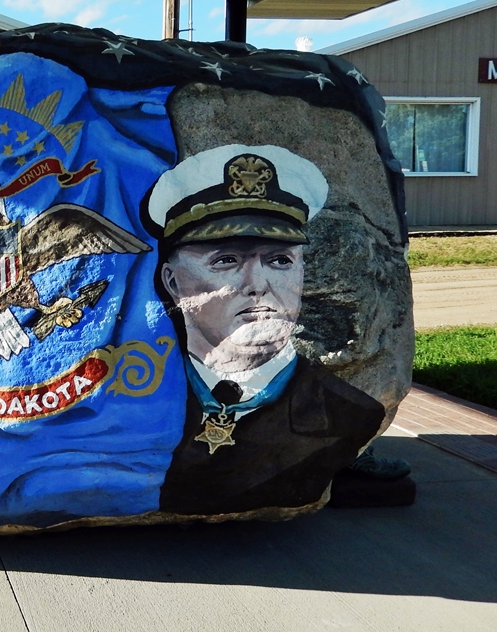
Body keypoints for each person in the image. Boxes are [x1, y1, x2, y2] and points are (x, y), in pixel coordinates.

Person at [142, 145, 386, 516]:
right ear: (172, 282)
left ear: (302, 273)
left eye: (280, 260)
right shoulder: (129, 401)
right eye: (226, 260)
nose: (258, 284)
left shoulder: (348, 414)